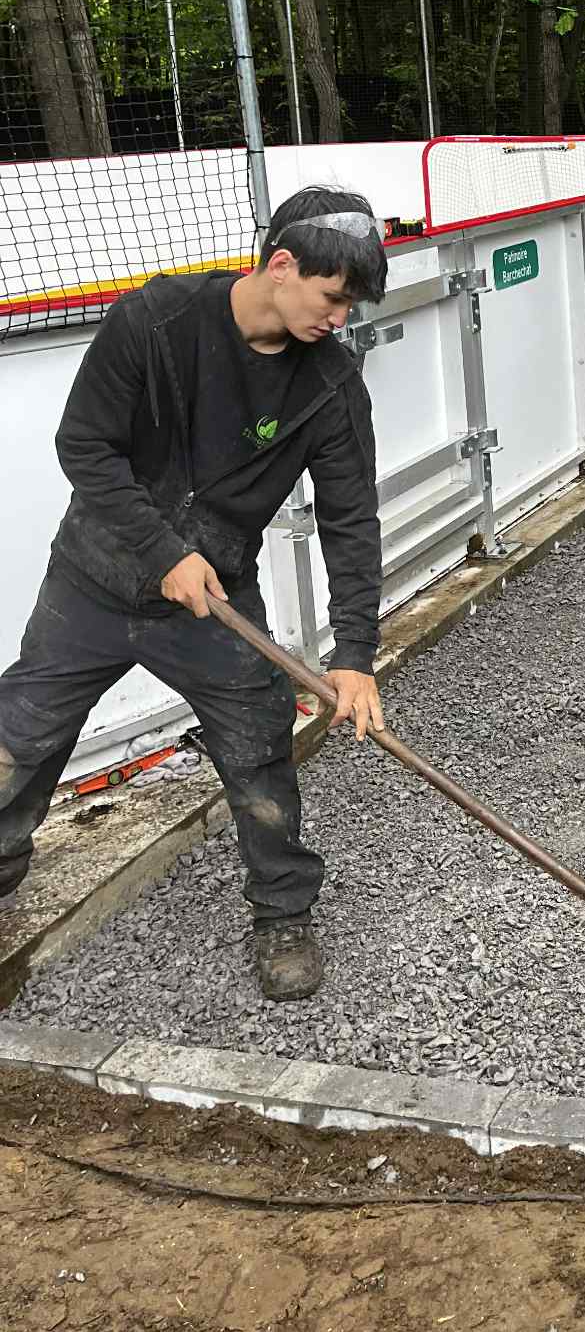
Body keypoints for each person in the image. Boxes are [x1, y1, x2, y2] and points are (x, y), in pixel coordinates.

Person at [0, 187, 389, 1002]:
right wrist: (161, 548)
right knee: (19, 739)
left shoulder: (328, 382)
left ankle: (283, 911)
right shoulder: (157, 321)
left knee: (257, 748)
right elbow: (85, 446)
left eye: (350, 305)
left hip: (216, 596)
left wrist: (355, 658)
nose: (339, 318)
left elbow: (351, 519)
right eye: (332, 297)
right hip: (95, 578)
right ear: (282, 265)